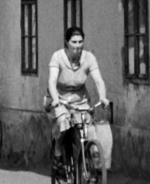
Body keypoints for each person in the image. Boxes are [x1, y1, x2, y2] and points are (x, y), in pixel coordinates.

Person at [46, 25, 108, 170]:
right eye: (74, 42)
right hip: (59, 97)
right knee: (63, 120)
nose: (77, 46)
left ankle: (86, 177)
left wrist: (103, 97)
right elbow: (52, 81)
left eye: (80, 42)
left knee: (86, 130)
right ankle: (58, 151)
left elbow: (98, 80)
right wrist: (55, 99)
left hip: (80, 99)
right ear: (67, 42)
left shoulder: (89, 58)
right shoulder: (58, 57)